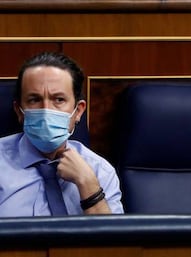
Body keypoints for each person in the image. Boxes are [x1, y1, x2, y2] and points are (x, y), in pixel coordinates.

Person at [0, 51, 124, 216]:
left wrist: (89, 186)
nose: (46, 111)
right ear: (19, 111)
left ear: (78, 111)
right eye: (34, 100)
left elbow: (113, 241)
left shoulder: (100, 171)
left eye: (58, 99)